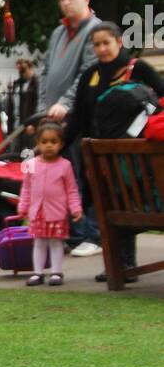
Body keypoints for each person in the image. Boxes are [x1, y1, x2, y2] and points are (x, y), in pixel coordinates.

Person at [63, 21, 164, 284]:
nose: (102, 48)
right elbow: (77, 119)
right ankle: (122, 263)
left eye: (106, 42)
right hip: (105, 161)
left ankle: (123, 264)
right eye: (96, 44)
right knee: (114, 198)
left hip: (138, 161)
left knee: (123, 198)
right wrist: (56, 147)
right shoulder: (90, 75)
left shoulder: (139, 69)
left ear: (119, 42)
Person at [30, 0, 101, 255]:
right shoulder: (59, 32)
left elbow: (88, 71)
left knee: (83, 175)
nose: (65, 3)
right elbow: (46, 71)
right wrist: (42, 111)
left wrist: (65, 103)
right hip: (55, 119)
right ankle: (73, 233)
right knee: (62, 177)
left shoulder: (95, 30)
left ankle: (92, 235)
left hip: (80, 118)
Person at [17, 120, 82, 285]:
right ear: (37, 143)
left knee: (55, 242)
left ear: (61, 144)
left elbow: (72, 190)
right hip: (38, 212)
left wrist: (75, 208)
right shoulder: (31, 165)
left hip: (57, 213)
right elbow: (26, 189)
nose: (49, 146)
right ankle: (38, 273)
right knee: (39, 243)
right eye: (44, 142)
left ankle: (56, 272)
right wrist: (23, 207)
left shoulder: (65, 166)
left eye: (54, 142)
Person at [8, 56, 38, 149]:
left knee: (29, 150)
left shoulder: (36, 83)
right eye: (19, 71)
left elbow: (36, 105)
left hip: (29, 123)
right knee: (15, 151)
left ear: (30, 68)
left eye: (23, 70)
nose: (21, 73)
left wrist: (34, 124)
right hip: (17, 123)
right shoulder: (17, 84)